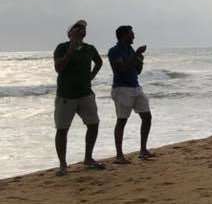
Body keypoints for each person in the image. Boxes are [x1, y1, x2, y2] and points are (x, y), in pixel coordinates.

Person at [53, 20, 106, 175]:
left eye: (83, 28)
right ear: (70, 33)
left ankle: (88, 158)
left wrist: (91, 77)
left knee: (93, 124)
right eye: (77, 28)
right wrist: (70, 50)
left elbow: (99, 62)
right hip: (66, 95)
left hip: (86, 94)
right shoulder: (62, 47)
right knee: (62, 130)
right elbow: (58, 68)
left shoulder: (90, 48)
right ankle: (63, 165)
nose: (81, 29)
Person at [108, 25, 154, 164]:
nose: (133, 36)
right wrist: (136, 54)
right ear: (123, 36)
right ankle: (119, 155)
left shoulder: (130, 50)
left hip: (135, 86)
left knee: (147, 116)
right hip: (121, 88)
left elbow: (138, 70)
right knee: (122, 120)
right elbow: (121, 69)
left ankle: (143, 150)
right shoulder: (114, 51)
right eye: (131, 34)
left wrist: (139, 58)